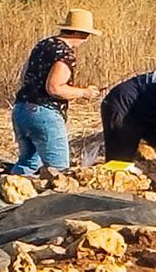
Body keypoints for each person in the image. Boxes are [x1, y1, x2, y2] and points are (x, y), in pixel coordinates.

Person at [9, 9, 102, 175]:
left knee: (28, 164)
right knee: (58, 170)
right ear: (82, 34)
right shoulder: (65, 53)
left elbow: (24, 76)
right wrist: (84, 93)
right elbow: (54, 88)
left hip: (21, 109)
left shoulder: (42, 45)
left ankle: (12, 195)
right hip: (44, 114)